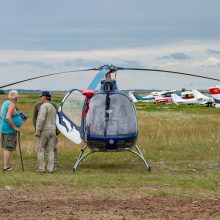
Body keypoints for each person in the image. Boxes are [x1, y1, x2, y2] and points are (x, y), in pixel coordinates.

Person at [33, 91, 59, 169]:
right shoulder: (53, 107)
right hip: (52, 130)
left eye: (41, 96)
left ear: (44, 97)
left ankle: (41, 168)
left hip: (44, 130)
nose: (40, 98)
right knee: (50, 150)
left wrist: (37, 130)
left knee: (40, 149)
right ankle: (51, 168)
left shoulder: (44, 106)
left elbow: (41, 119)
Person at [1, 90, 21, 172]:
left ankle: (7, 166)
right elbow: (8, 117)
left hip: (4, 128)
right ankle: (6, 167)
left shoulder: (5, 103)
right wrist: (15, 128)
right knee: (9, 148)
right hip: (9, 129)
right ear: (16, 97)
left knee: (6, 147)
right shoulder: (12, 105)